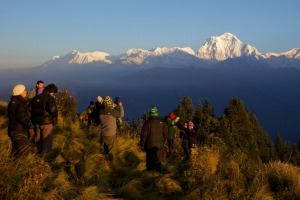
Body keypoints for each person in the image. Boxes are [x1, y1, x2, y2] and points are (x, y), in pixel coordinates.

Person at [8, 84, 35, 158]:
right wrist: (29, 126)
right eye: (24, 90)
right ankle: (20, 167)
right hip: (19, 130)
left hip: (12, 129)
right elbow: (22, 118)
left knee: (15, 151)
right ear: (20, 92)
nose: (26, 92)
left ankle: (11, 167)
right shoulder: (20, 103)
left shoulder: (12, 101)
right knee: (24, 151)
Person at [30, 83, 58, 155]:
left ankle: (35, 155)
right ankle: (44, 157)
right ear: (51, 91)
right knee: (46, 140)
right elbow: (53, 110)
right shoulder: (49, 98)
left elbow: (30, 108)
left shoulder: (37, 97)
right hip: (47, 122)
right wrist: (55, 117)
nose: (53, 94)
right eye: (53, 93)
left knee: (37, 139)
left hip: (37, 122)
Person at [140, 107, 167, 172]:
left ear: (150, 114)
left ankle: (150, 175)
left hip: (149, 146)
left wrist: (142, 145)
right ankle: (158, 175)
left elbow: (143, 136)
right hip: (159, 146)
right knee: (158, 160)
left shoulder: (147, 123)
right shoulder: (162, 123)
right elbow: (165, 135)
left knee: (150, 161)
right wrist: (162, 143)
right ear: (156, 113)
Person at [99, 96, 124, 163]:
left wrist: (111, 107)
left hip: (103, 134)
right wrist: (120, 106)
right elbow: (121, 115)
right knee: (112, 151)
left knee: (105, 150)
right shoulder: (113, 112)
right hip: (111, 135)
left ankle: (104, 163)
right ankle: (111, 165)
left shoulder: (101, 111)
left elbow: (106, 110)